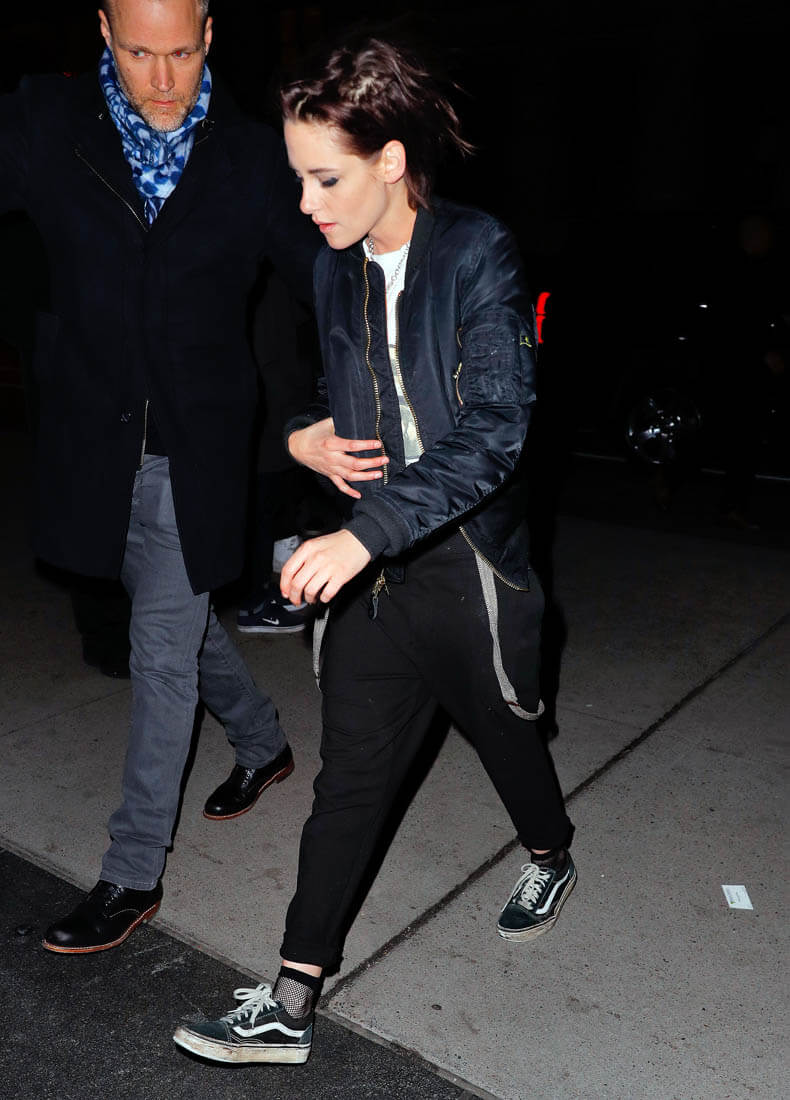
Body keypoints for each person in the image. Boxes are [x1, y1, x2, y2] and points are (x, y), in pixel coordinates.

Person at [173, 34, 576, 1065]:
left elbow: (496, 429)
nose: (306, 203)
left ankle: (550, 850)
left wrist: (363, 533)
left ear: (390, 160)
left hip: (463, 565)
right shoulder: (330, 268)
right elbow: (323, 388)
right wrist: (303, 434)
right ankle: (291, 998)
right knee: (350, 778)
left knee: (508, 737)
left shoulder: (476, 251)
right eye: (298, 178)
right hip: (375, 576)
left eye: (327, 178)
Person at [0, 0, 318, 953]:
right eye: (141, 53)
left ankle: (132, 872)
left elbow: (328, 274)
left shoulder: (253, 156)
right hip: (95, 443)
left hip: (199, 445)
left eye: (182, 52)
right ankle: (263, 744)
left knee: (161, 654)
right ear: (103, 32)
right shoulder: (47, 125)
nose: (166, 80)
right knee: (175, 622)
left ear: (211, 35)